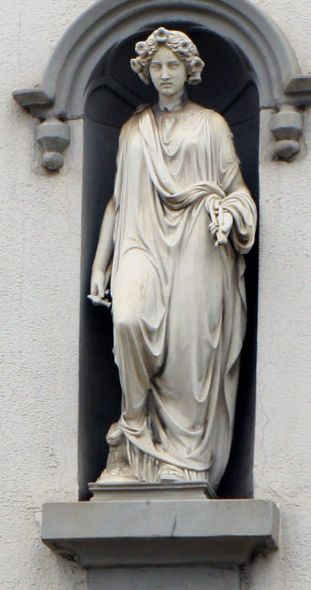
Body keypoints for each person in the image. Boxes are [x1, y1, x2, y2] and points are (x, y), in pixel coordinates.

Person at [88, 27, 256, 490]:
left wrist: (228, 213)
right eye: (156, 67)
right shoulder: (131, 129)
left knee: (189, 348)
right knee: (128, 322)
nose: (164, 75)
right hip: (140, 241)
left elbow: (238, 192)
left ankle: (180, 459)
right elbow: (117, 203)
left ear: (189, 71)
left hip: (198, 245)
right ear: (147, 71)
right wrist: (101, 264)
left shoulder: (212, 125)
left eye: (173, 66)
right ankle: (133, 434)